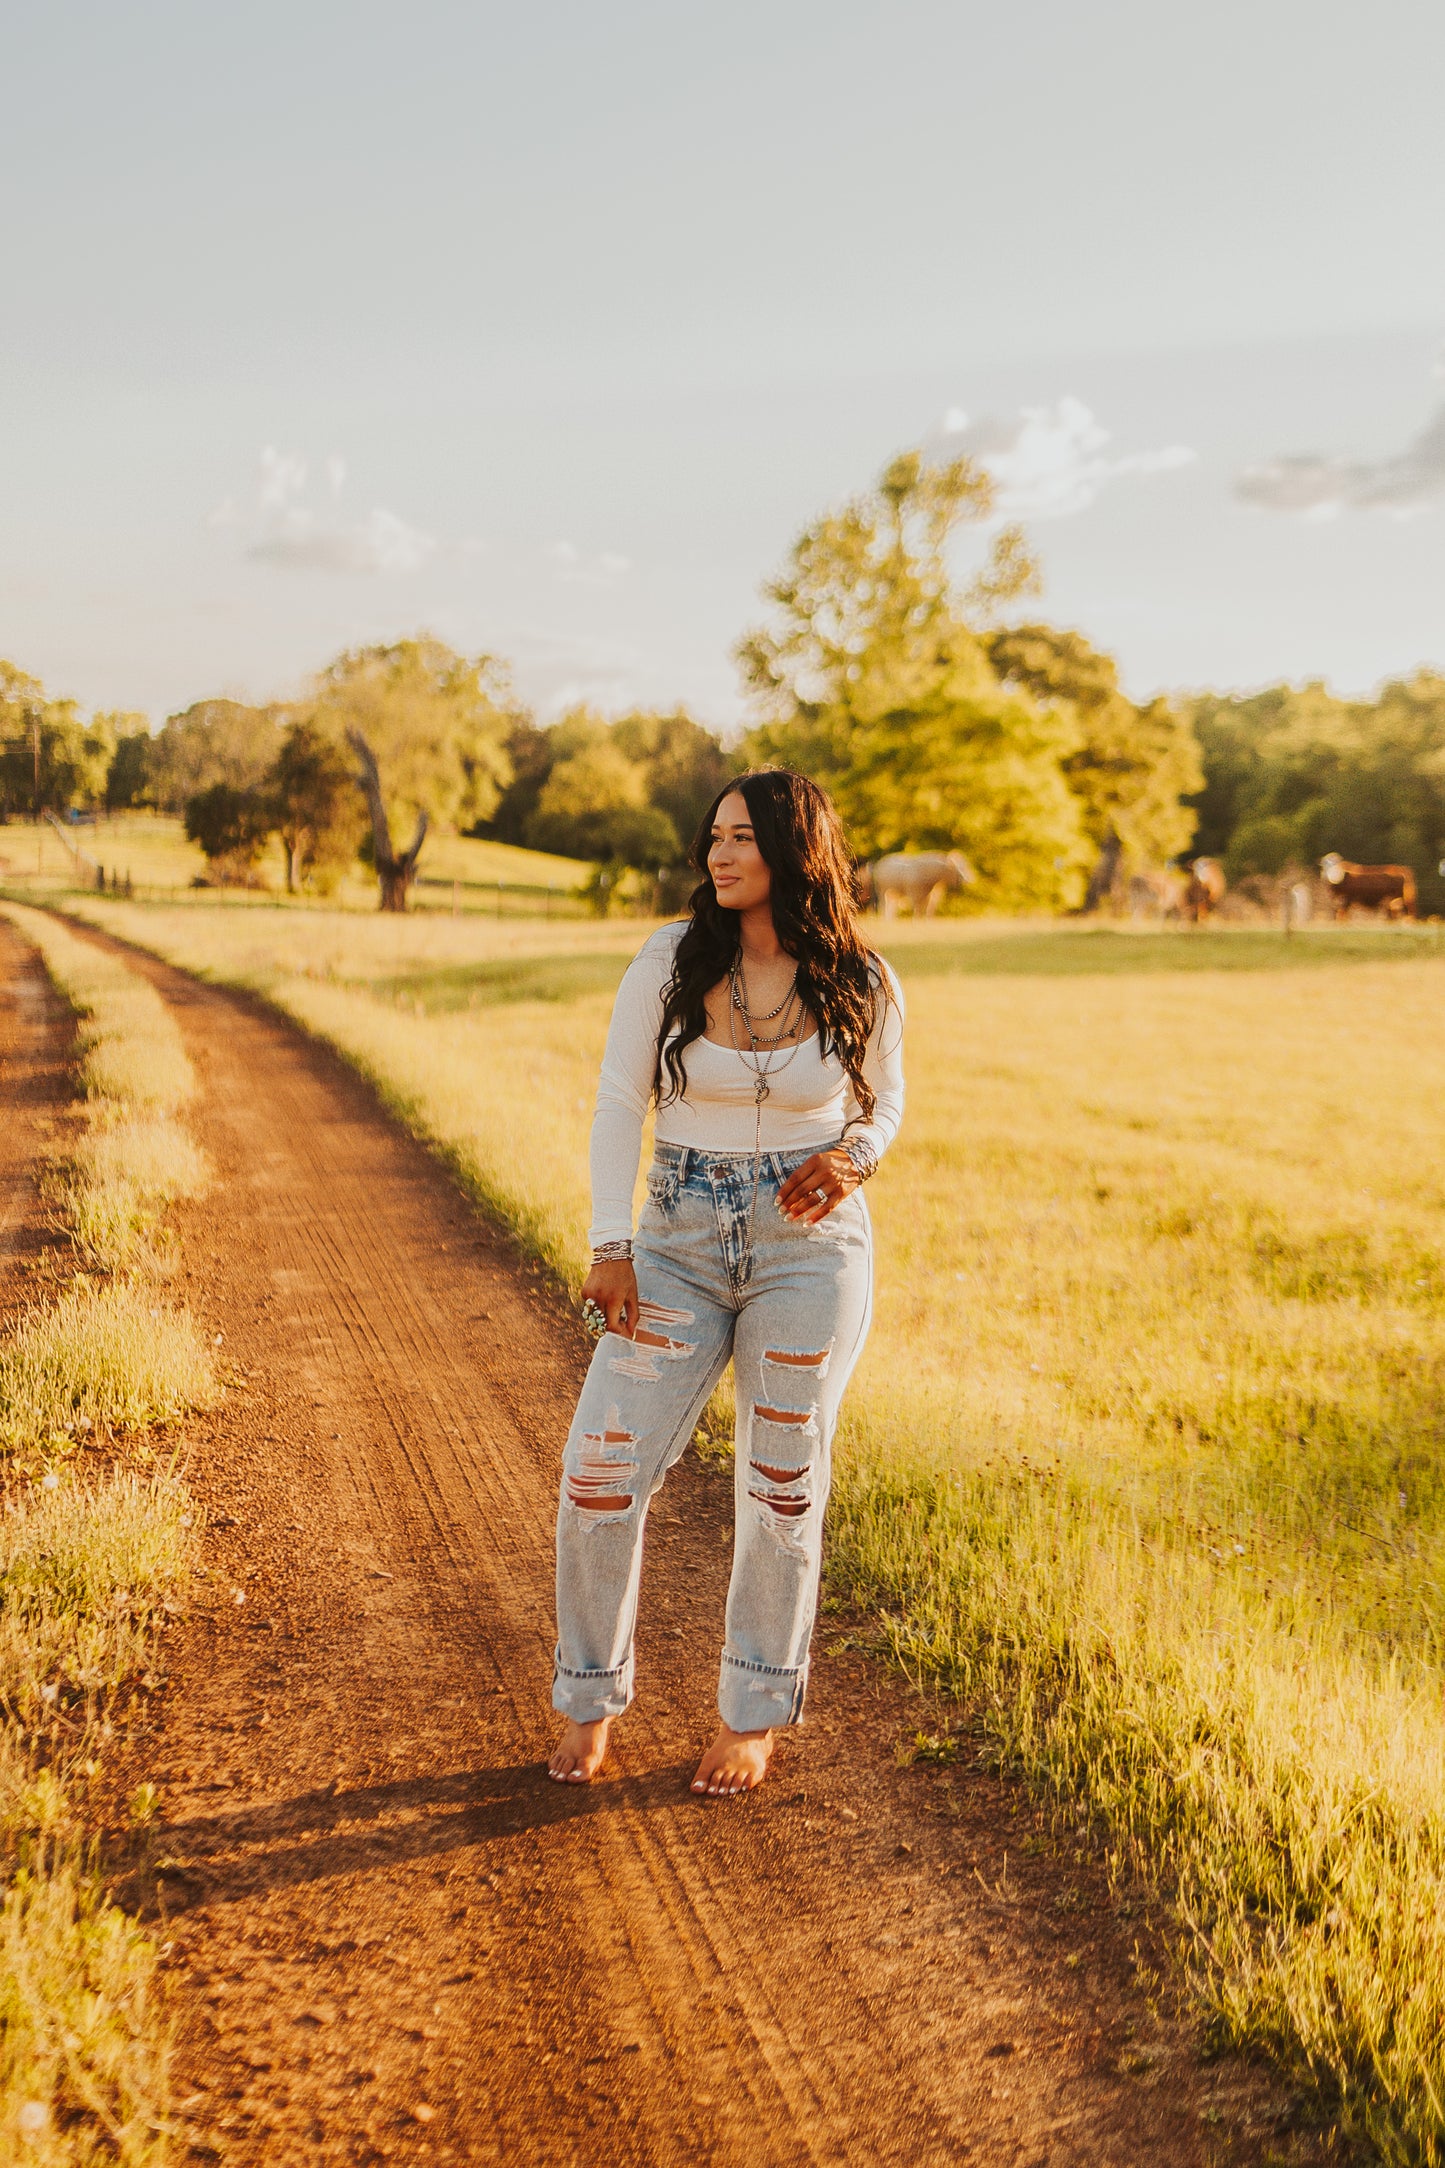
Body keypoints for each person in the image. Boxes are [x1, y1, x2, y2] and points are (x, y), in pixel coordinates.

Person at [548, 769, 905, 1797]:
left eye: (742, 836)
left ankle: (751, 1713)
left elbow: (883, 1105)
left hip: (810, 1247)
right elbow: (619, 1101)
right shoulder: (668, 958)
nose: (718, 852)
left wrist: (855, 1155)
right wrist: (608, 1242)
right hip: (672, 1239)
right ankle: (586, 1694)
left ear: (796, 848)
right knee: (598, 1470)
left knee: (780, 1486)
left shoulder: (861, 975)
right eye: (713, 835)